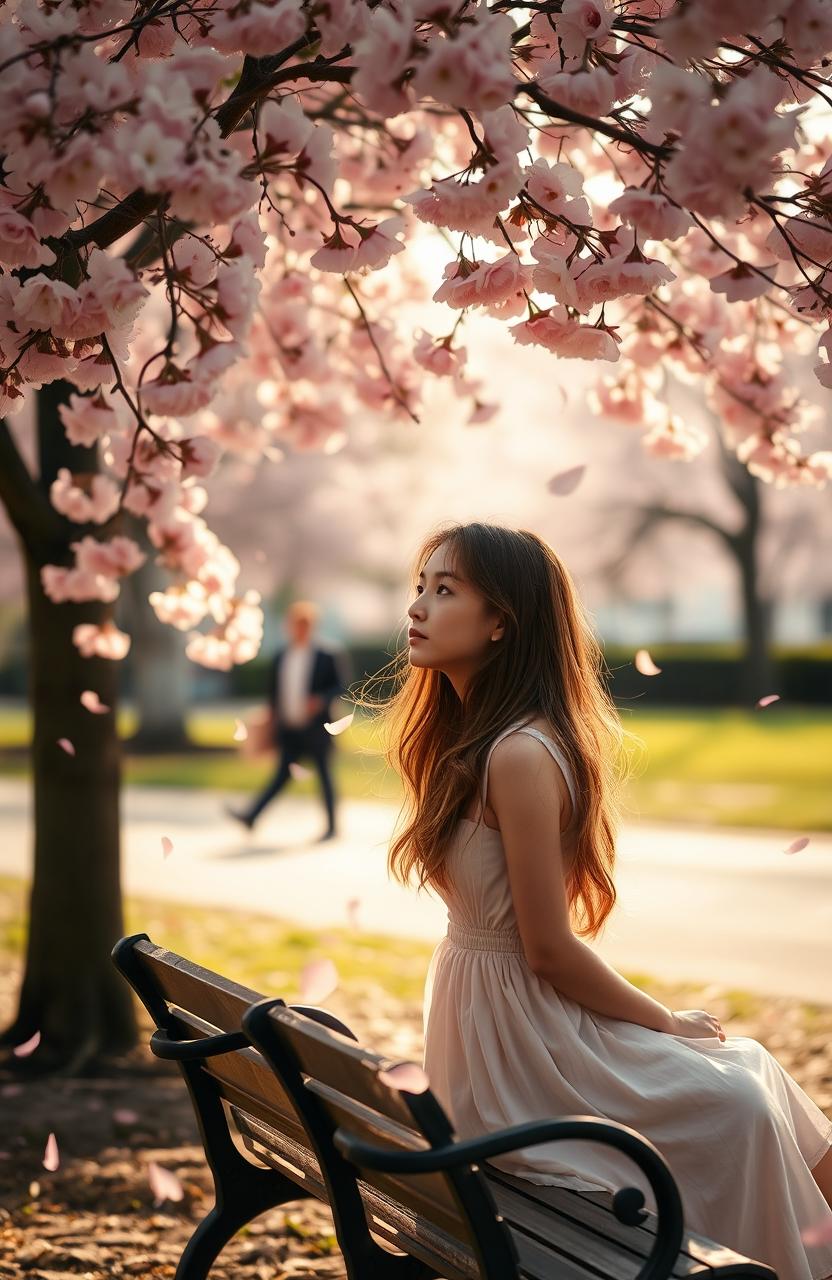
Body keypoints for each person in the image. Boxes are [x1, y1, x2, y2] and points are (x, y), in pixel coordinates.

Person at [366, 520, 832, 1280]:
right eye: (419, 587)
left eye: (444, 590)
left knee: (750, 1070)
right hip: (519, 1058)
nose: (416, 606)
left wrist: (663, 1027)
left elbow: (541, 952)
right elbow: (548, 951)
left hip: (512, 1037)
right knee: (740, 1096)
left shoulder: (514, 750)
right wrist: (665, 1020)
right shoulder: (494, 748)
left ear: (500, 623)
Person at [227, 600, 348, 841]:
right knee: (281, 775)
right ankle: (251, 816)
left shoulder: (327, 655)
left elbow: (340, 686)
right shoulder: (282, 656)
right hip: (289, 728)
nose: (299, 629)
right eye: (296, 624)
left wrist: (320, 700)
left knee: (324, 775)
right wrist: (271, 716)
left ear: (312, 626)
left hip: (317, 728)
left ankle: (332, 827)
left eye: (304, 624)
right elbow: (274, 692)